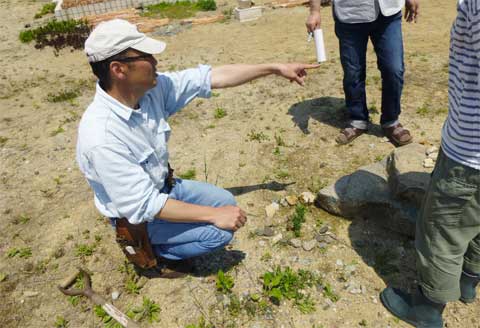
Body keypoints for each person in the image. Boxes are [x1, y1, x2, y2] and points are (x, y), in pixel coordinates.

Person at [76, 19, 319, 276]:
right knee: (220, 230)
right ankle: (153, 253)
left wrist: (274, 68)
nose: (156, 61)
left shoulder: (148, 92)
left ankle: (168, 238)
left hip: (164, 189)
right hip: (141, 215)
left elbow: (211, 77)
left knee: (225, 202)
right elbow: (143, 205)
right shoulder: (102, 137)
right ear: (119, 69)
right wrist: (212, 216)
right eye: (146, 56)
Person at [379, 0, 480, 326]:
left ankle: (426, 309)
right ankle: (468, 281)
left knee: (441, 231)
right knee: (476, 219)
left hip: (470, 150)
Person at [306, 0, 419, 146]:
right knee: (353, 72)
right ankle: (357, 119)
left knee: (394, 69)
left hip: (388, 12)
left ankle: (391, 121)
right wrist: (314, 11)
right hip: (350, 14)